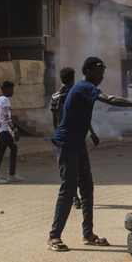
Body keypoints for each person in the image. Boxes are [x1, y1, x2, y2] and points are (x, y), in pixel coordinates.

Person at [47, 57, 132, 251]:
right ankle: (54, 237)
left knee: (87, 189)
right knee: (68, 190)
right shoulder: (84, 86)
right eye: (99, 73)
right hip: (66, 144)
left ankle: (88, 234)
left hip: (78, 144)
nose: (102, 77)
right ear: (89, 71)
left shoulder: (83, 89)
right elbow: (109, 99)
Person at [50, 67, 100, 208]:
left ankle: (75, 197)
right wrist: (93, 134)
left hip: (62, 138)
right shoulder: (78, 93)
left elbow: (54, 120)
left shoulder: (55, 97)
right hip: (76, 136)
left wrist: (58, 137)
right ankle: (79, 198)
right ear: (73, 78)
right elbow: (84, 118)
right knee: (79, 170)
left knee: (66, 172)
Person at [0, 81, 23, 184]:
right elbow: (7, 117)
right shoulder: (5, 100)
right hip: (4, 130)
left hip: (0, 129)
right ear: (6, 89)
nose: (12, 91)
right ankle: (11, 175)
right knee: (13, 148)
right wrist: (14, 131)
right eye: (11, 89)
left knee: (1, 153)